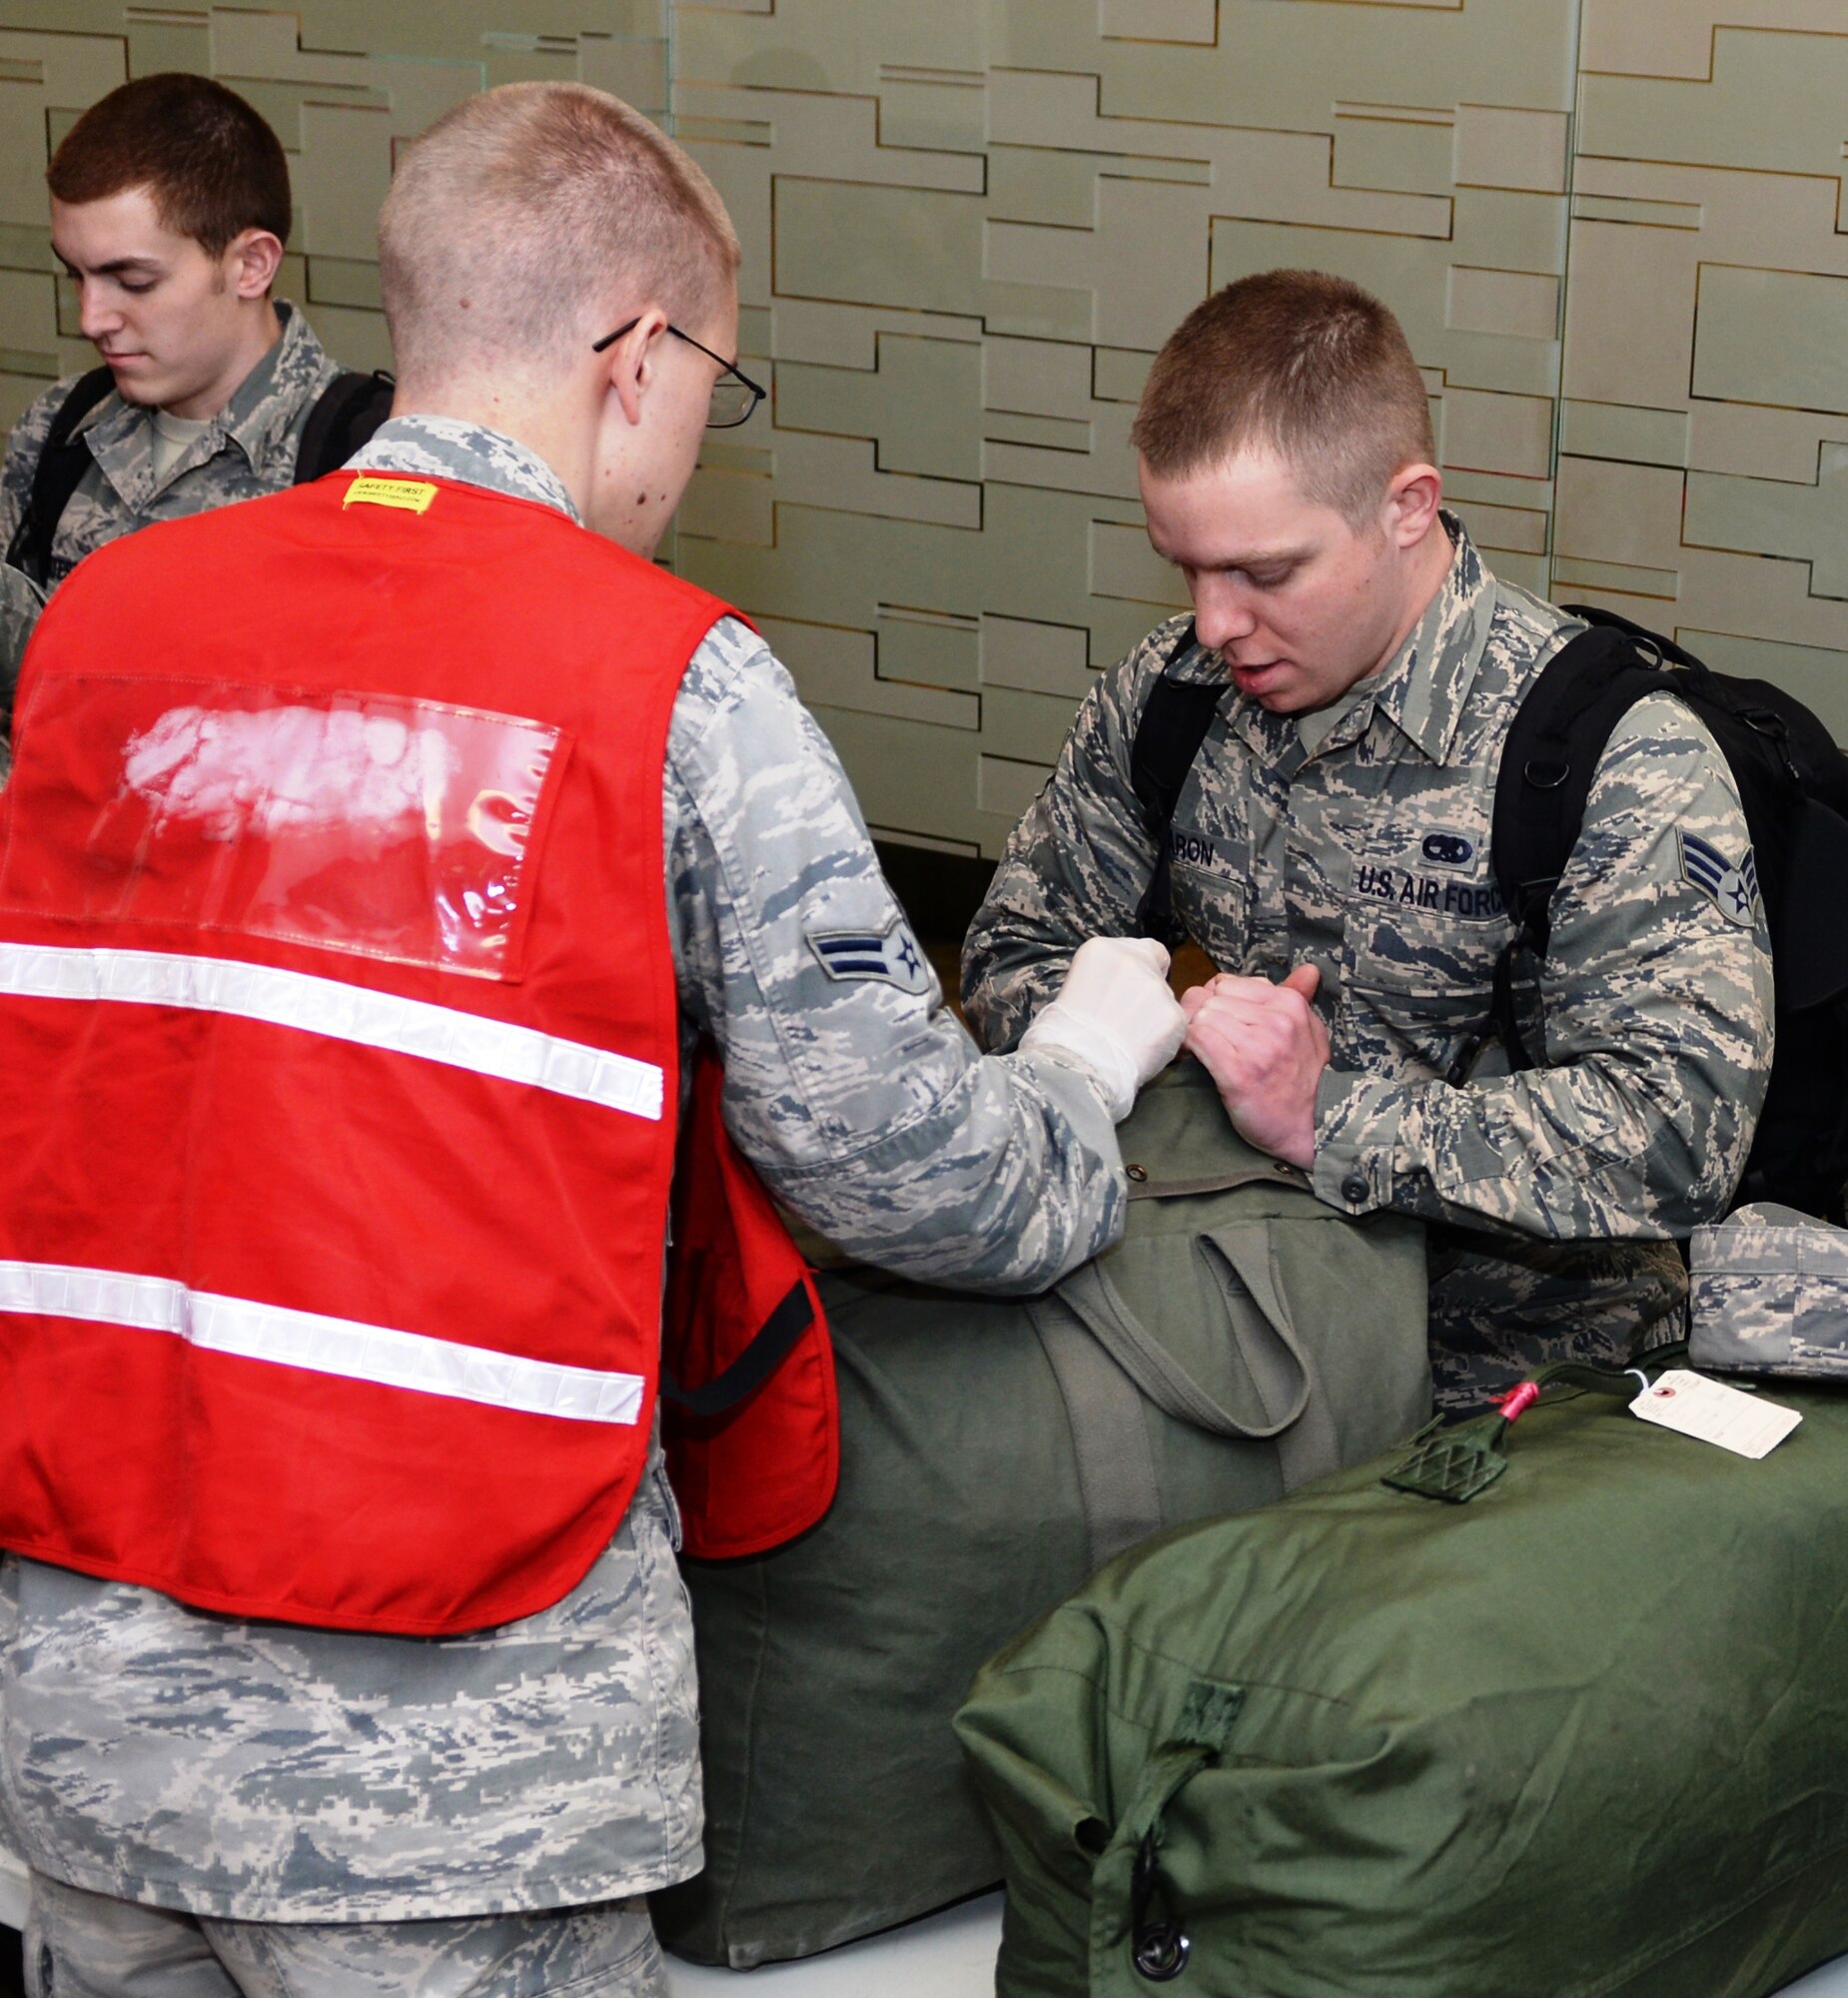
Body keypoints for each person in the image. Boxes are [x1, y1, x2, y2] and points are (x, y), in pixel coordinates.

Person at [0, 82, 1185, 1996]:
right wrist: (1092, 1066)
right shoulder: (662, 681)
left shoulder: (100, 631)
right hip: (454, 1749)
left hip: (85, 1711)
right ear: (638, 354)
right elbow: (925, 1182)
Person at [963, 268, 1773, 1415]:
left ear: (1406, 506)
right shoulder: (1173, 696)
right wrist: (1166, 1036)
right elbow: (1011, 947)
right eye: (1185, 566)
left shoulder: (1609, 754)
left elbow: (1675, 1132)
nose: (1213, 622)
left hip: (1514, 1385)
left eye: (1264, 570)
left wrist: (1324, 1111)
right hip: (1229, 1305)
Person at [0, 71, 377, 728]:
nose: (92, 319)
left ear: (251, 265)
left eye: (133, 281)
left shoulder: (361, 466)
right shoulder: (60, 429)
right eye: (76, 275)